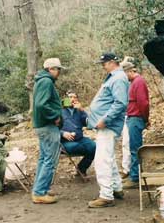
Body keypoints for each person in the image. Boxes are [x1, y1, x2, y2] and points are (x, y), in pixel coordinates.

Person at [87, 52, 129, 208]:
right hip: (106, 125)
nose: (103, 66)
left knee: (102, 161)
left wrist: (105, 119)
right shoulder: (115, 77)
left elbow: (120, 103)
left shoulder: (118, 78)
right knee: (109, 158)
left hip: (108, 125)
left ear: (112, 62)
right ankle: (117, 188)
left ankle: (106, 195)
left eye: (104, 63)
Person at [31, 58, 65, 204]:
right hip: (47, 125)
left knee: (44, 158)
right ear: (50, 69)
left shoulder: (41, 80)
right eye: (58, 69)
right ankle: (39, 193)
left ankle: (40, 189)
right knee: (50, 160)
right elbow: (40, 105)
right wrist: (55, 116)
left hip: (42, 125)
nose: (59, 72)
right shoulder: (46, 81)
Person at [120, 61, 150, 189]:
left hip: (136, 118)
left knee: (135, 149)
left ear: (130, 71)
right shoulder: (133, 83)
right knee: (132, 147)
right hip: (132, 117)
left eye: (124, 74)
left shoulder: (139, 82)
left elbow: (143, 103)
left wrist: (145, 118)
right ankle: (134, 176)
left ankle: (135, 178)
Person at [60, 91, 96, 176]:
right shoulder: (59, 111)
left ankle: (81, 168)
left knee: (94, 146)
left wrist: (82, 110)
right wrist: (63, 133)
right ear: (65, 99)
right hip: (65, 142)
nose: (72, 99)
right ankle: (81, 169)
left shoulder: (79, 111)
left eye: (75, 97)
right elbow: (52, 129)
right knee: (77, 146)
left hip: (80, 139)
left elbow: (89, 123)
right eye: (70, 97)